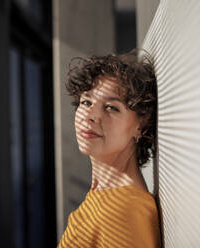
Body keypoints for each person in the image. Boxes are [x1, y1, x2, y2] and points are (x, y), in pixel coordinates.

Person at [57, 51, 160, 248]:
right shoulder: (103, 192)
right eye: (86, 102)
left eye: (111, 108)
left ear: (141, 126)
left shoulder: (126, 210)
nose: (90, 115)